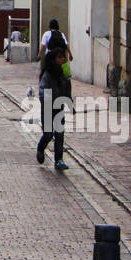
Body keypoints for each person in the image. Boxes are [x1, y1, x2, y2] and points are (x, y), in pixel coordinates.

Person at [37, 39, 71, 171]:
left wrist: (69, 103)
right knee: (48, 134)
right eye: (60, 57)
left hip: (59, 106)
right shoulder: (48, 74)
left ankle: (59, 159)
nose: (63, 59)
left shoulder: (63, 73)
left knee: (59, 133)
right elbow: (42, 90)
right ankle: (41, 148)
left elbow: (67, 88)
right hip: (48, 106)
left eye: (63, 57)